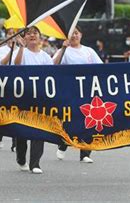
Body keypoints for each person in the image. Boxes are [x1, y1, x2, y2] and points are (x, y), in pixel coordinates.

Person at [53, 26, 102, 163]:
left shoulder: (89, 51)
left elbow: (101, 67)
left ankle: (85, 153)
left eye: (76, 33)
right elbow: (52, 65)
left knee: (89, 120)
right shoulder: (64, 51)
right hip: (70, 91)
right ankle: (63, 144)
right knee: (71, 120)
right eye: (71, 34)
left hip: (88, 91)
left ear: (81, 35)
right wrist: (62, 49)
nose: (74, 36)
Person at [14, 26, 53, 174]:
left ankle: (35, 163)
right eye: (29, 33)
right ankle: (21, 158)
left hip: (40, 99)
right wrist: (21, 49)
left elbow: (52, 76)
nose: (32, 36)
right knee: (22, 132)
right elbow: (16, 66)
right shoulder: (21, 53)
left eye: (35, 33)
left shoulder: (45, 57)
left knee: (38, 131)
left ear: (40, 37)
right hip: (23, 98)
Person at [0, 28, 19, 150]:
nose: (12, 36)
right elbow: (3, 63)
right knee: (4, 111)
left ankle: (15, 142)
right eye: (10, 34)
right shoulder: (1, 50)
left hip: (17, 84)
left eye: (15, 34)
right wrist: (11, 50)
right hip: (4, 83)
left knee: (16, 112)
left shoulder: (21, 50)